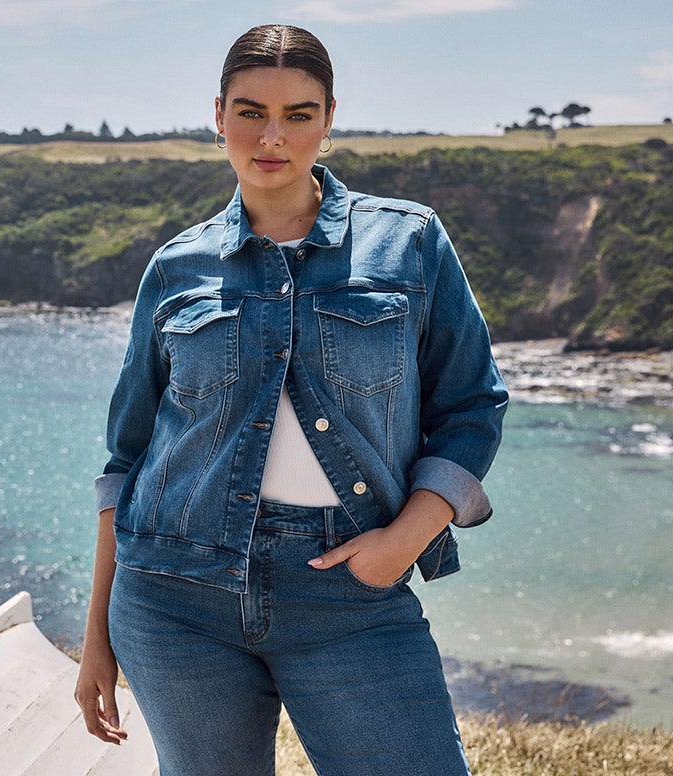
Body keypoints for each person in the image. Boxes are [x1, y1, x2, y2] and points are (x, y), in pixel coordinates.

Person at [72, 23, 509, 776]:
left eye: (298, 114)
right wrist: (95, 640)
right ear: (218, 116)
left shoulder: (409, 243)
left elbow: (472, 408)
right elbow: (129, 459)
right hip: (173, 597)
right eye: (251, 112)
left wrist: (404, 541)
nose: (272, 136)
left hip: (348, 594)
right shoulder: (176, 267)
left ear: (329, 118)